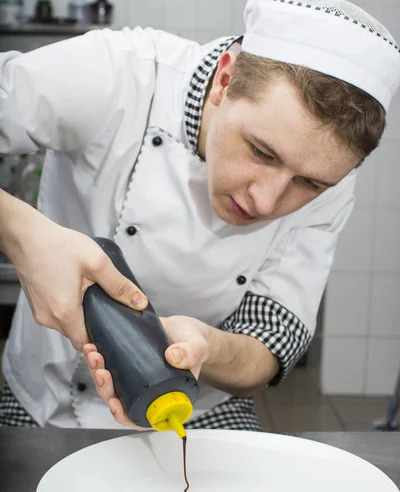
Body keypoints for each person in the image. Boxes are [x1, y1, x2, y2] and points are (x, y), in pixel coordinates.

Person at [0, 0, 399, 430]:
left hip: (203, 406)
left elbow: (269, 345)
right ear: (224, 78)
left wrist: (208, 347)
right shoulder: (120, 73)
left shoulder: (329, 173)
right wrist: (20, 233)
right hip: (45, 398)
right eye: (261, 151)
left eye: (310, 184)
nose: (266, 202)